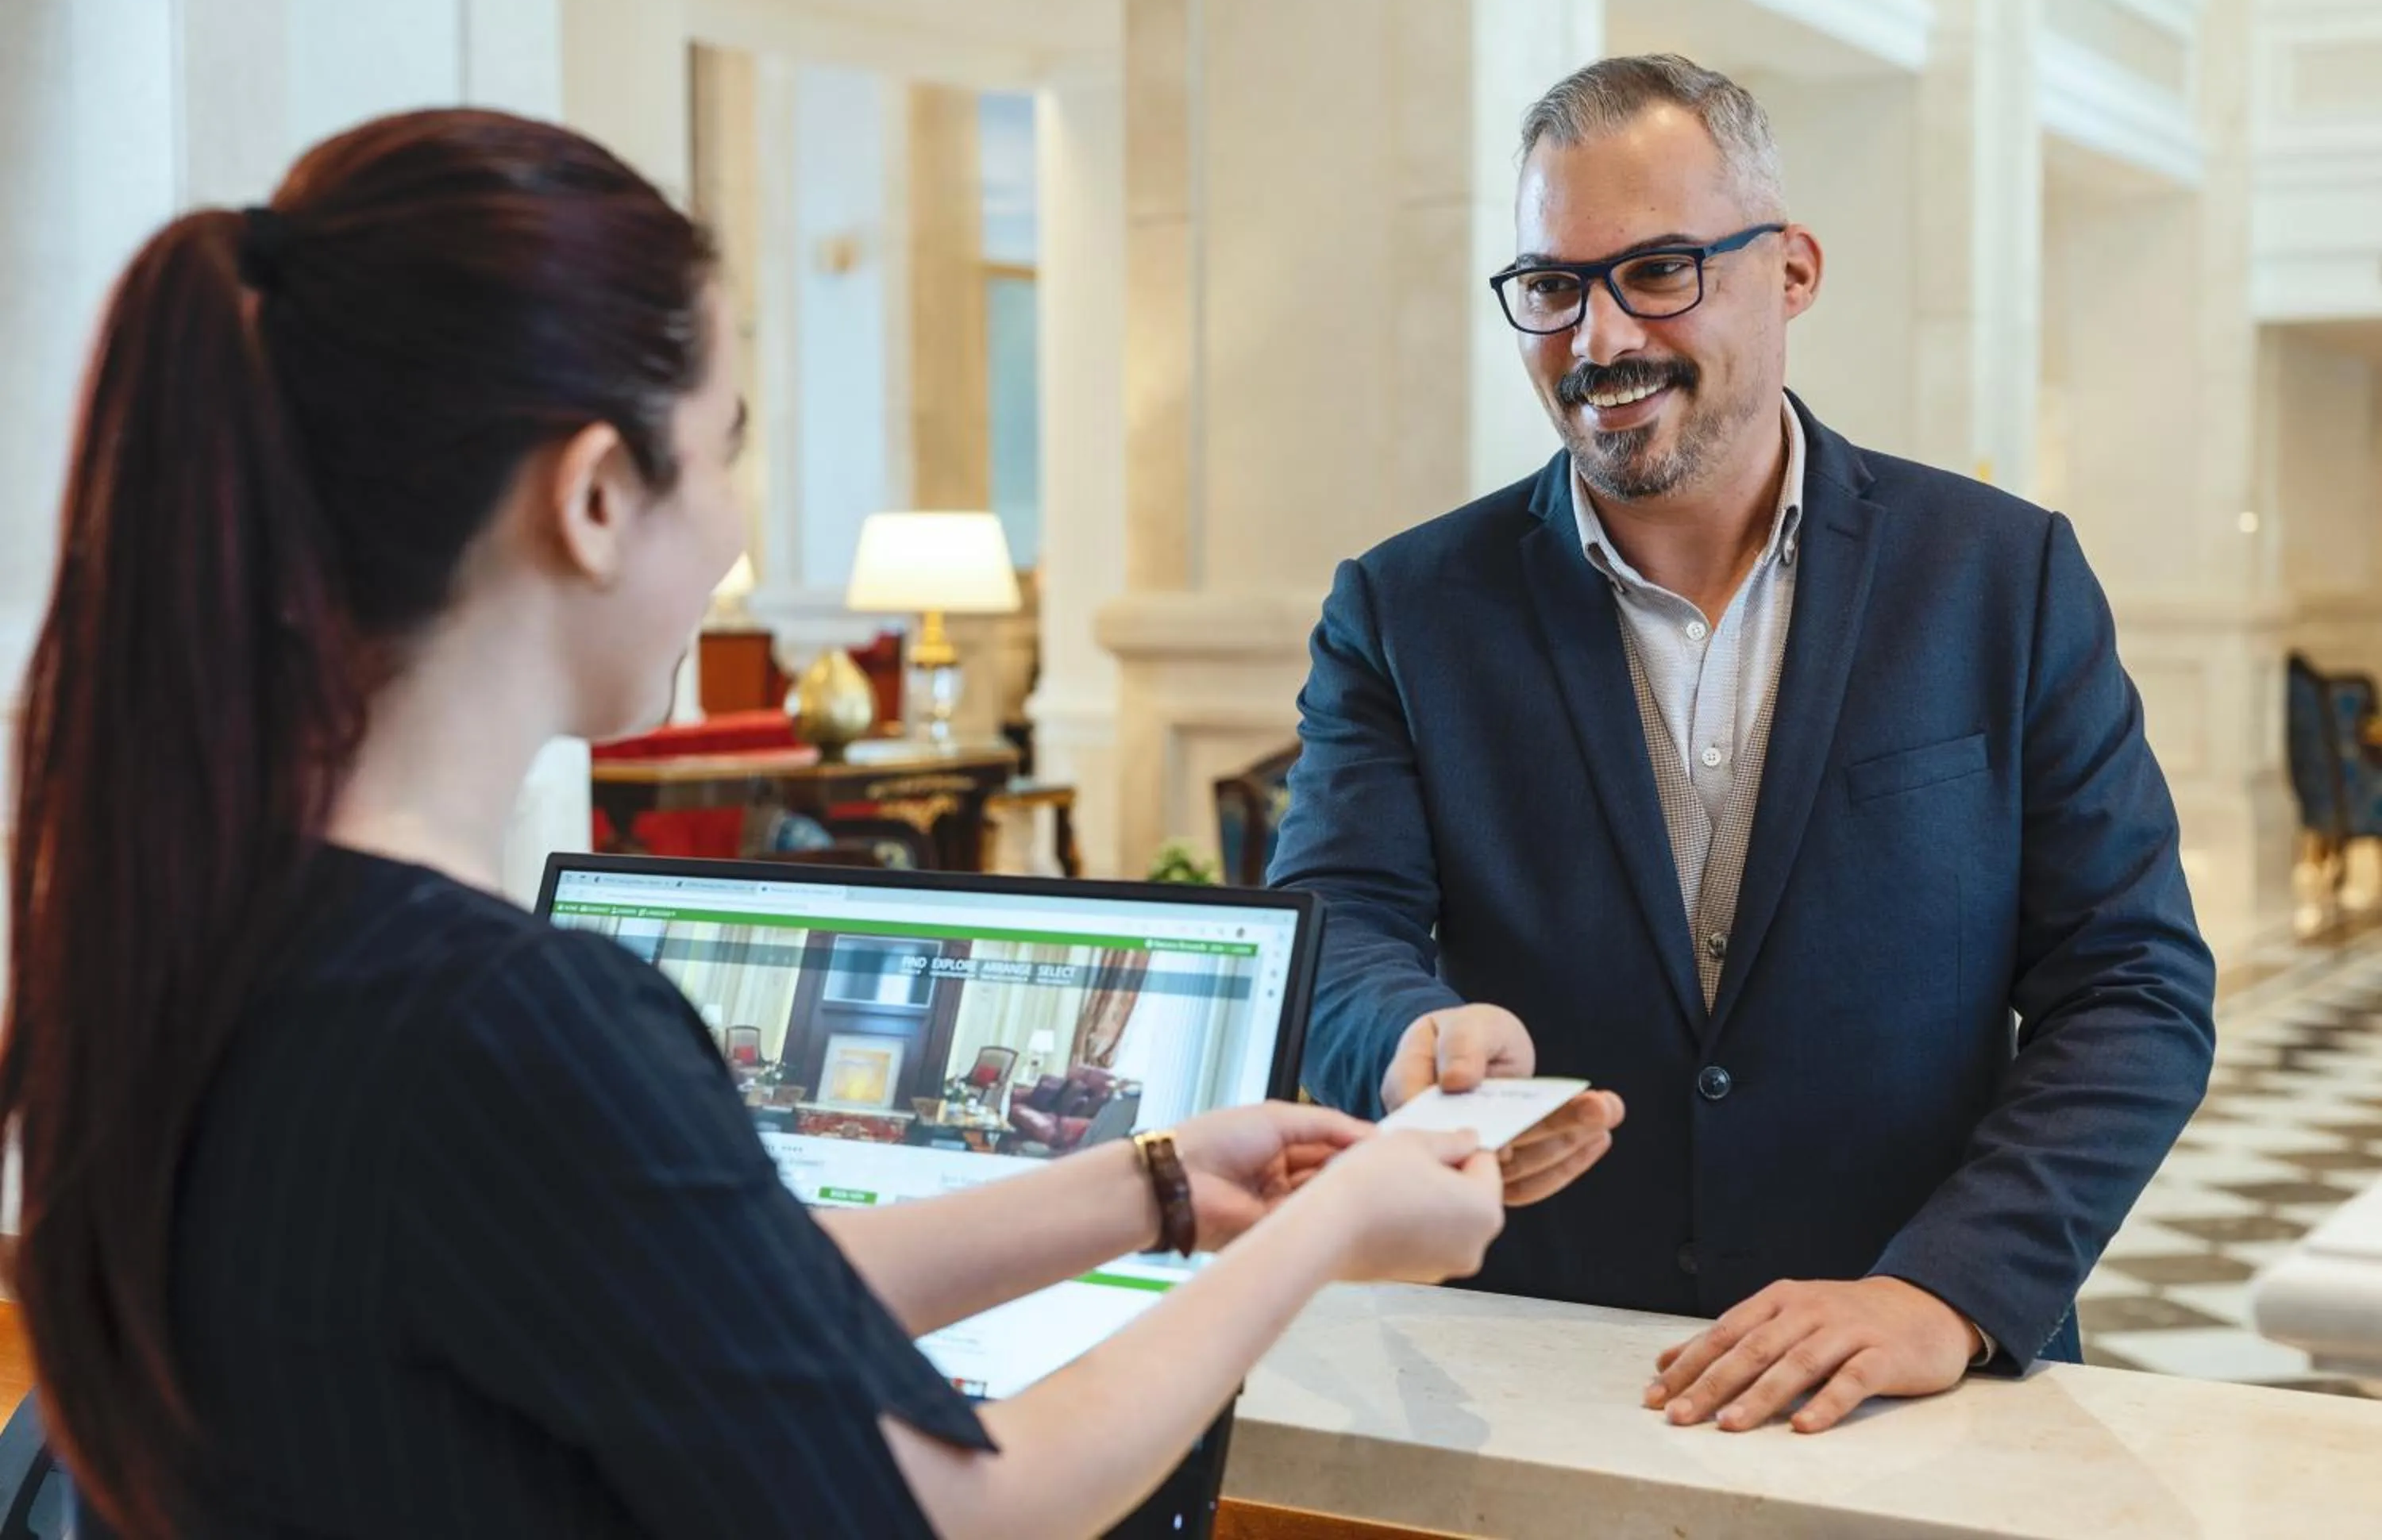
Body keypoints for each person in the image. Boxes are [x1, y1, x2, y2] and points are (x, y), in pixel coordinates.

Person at [0, 109, 1511, 1540]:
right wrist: (1327, 1233)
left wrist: (1158, 1186)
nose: (734, 523)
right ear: (595, 497)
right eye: (723, 447)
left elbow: (720, 1291)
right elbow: (955, 1511)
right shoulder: (507, 1021)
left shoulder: (217, 927)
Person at [1274, 54, 2215, 1434]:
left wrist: (1942, 1293)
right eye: (1551, 285)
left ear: (1790, 271)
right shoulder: (1406, 607)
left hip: (1915, 1389)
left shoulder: (1998, 578)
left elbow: (2132, 987)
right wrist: (1411, 1034)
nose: (1597, 339)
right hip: (1536, 1370)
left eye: (1657, 269)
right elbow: (1332, 916)